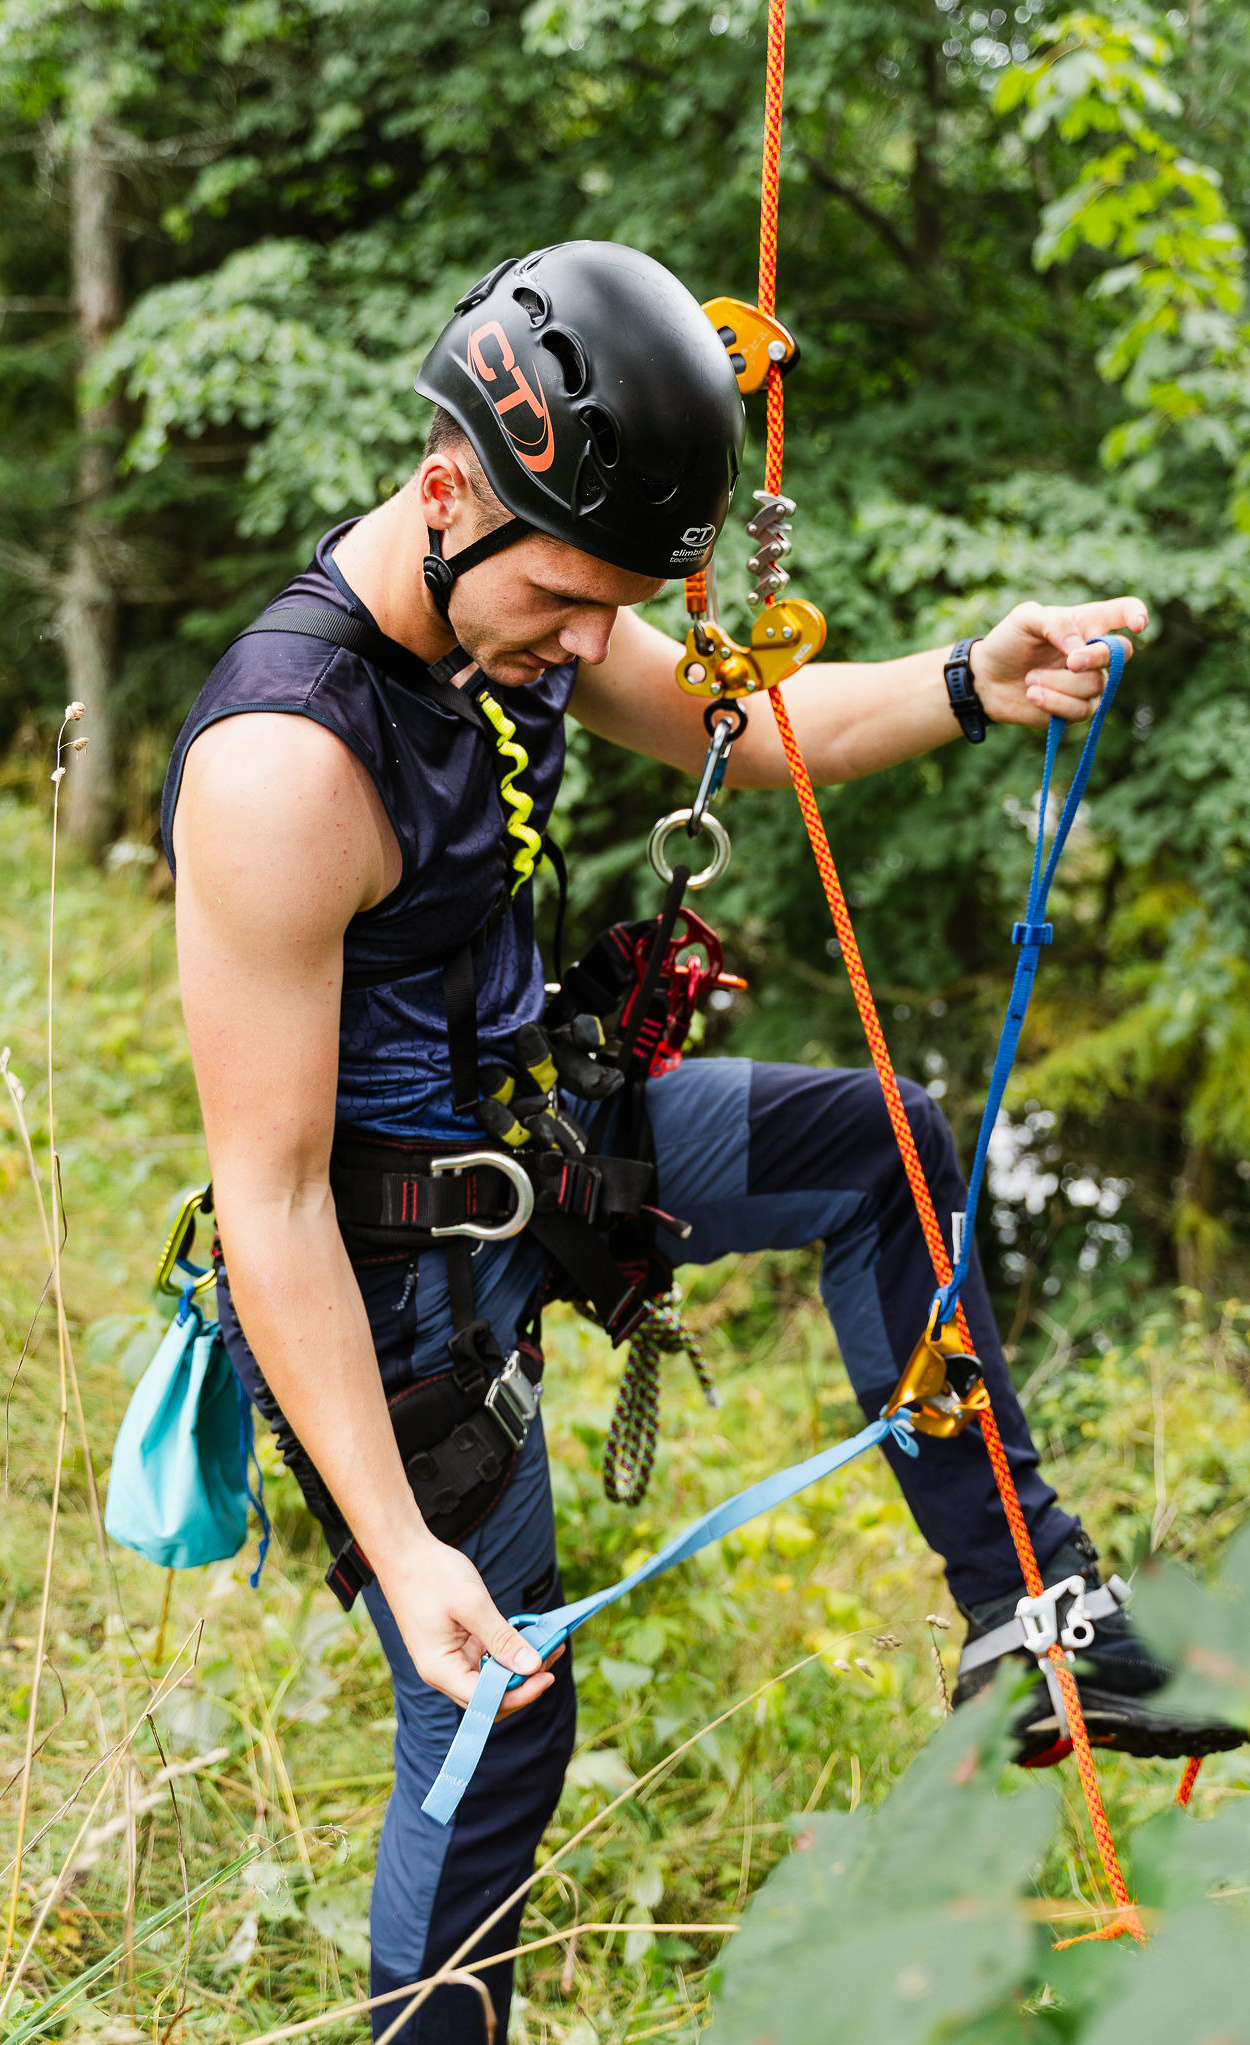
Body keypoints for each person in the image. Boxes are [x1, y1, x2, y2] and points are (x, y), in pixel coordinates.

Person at [162, 241, 1240, 2043]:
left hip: (555, 1141)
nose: (595, 647)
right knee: (497, 1711)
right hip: (392, 1290)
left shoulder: (516, 594)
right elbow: (267, 1202)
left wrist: (975, 677)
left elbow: (748, 730)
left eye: (613, 607)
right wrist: (402, 1546)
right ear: (447, 491)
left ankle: (1027, 1615)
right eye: (577, 602)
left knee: (879, 1152)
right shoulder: (285, 766)